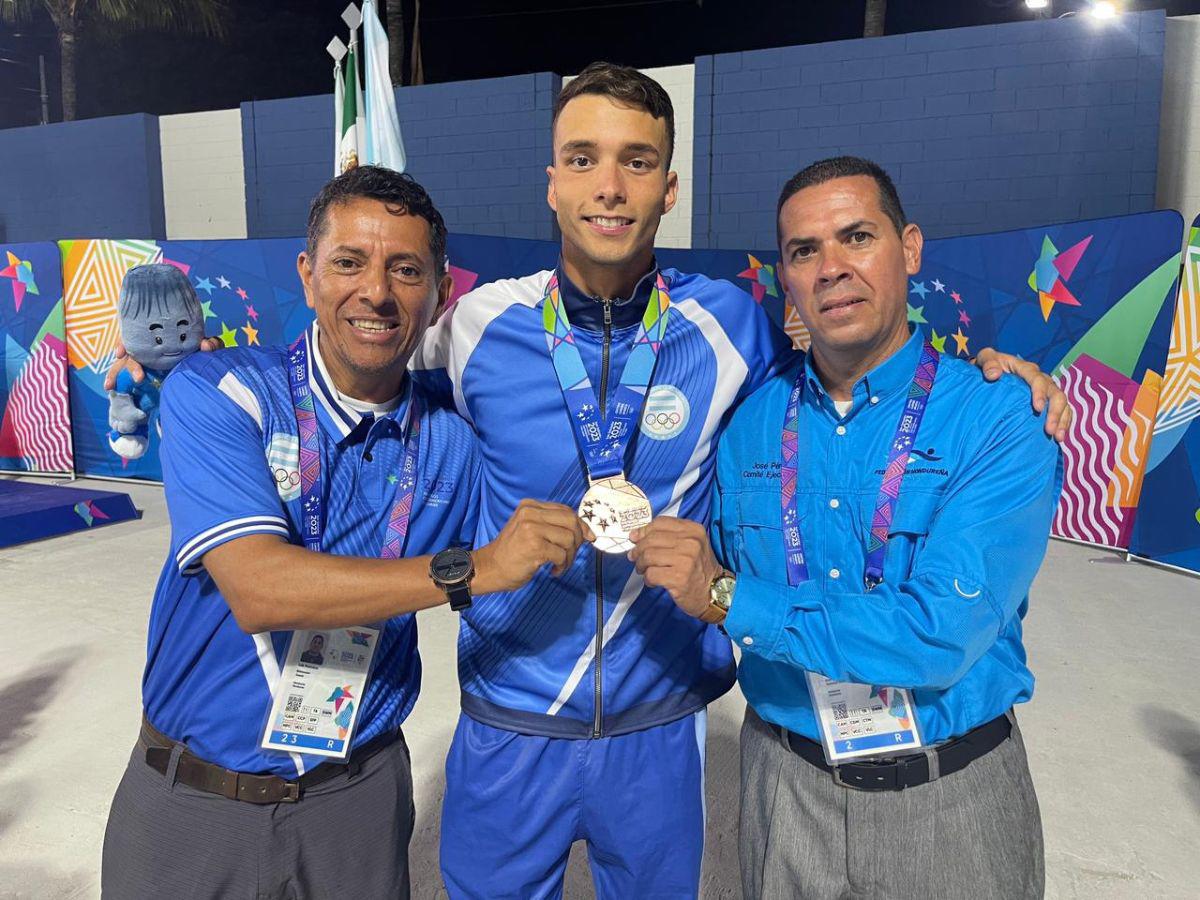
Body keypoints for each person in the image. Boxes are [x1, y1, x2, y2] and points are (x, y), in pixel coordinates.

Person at [413, 65, 1069, 899]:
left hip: (660, 726)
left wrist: (990, 374)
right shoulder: (475, 325)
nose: (609, 187)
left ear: (671, 188)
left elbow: (861, 364)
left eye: (637, 162)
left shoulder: (727, 328)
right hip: (509, 715)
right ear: (550, 183)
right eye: (582, 159)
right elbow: (367, 374)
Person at [100, 166, 588, 900]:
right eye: (349, 262)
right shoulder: (222, 392)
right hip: (192, 802)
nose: (377, 293)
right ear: (307, 275)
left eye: (406, 269)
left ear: (440, 292)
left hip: (356, 801)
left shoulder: (455, 438)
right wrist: (471, 569)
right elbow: (259, 588)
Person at [631, 156, 1061, 899]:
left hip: (951, 801)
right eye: (804, 251)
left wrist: (732, 599)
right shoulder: (748, 426)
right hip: (786, 792)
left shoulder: (998, 417)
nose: (831, 268)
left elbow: (938, 633)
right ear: (785, 277)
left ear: (910, 248)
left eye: (856, 237)